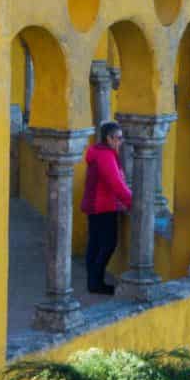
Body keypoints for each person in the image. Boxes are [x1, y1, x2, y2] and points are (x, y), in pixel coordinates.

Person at [81, 120, 132, 295]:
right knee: (107, 244)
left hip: (96, 205)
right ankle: (96, 283)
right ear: (108, 138)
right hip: (103, 207)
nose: (120, 141)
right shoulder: (105, 156)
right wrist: (132, 203)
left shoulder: (98, 152)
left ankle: (93, 281)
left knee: (95, 244)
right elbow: (116, 184)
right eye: (118, 138)